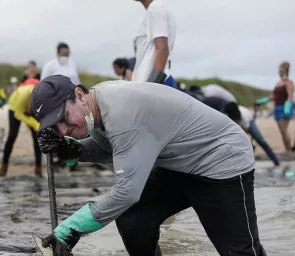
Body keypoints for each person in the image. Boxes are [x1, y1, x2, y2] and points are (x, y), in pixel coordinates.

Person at [31, 75, 266, 255]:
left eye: (63, 117)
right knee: (134, 218)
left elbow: (127, 191)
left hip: (221, 160)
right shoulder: (98, 106)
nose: (62, 130)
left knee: (240, 252)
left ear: (80, 96)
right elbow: (110, 148)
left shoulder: (121, 113)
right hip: (177, 166)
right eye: (54, 126)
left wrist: (72, 228)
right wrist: (73, 148)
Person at [203, 96, 280, 166]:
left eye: (237, 121)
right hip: (235, 125)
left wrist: (247, 144)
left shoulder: (245, 115)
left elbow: (245, 131)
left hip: (249, 122)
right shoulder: (225, 115)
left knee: (261, 141)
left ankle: (276, 162)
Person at [0, 84, 42, 177]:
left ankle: (38, 168)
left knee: (37, 137)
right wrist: (33, 123)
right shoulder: (24, 95)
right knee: (12, 136)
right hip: (15, 108)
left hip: (30, 109)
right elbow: (18, 114)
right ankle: (4, 166)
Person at [132, 0, 177, 88]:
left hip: (155, 84)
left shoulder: (156, 8)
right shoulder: (154, 10)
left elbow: (163, 49)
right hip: (149, 83)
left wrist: (151, 87)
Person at [255, 62, 294, 155]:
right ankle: (287, 150)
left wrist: (287, 107)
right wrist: (263, 101)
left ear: (286, 71)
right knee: (281, 130)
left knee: (284, 130)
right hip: (277, 108)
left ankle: (289, 151)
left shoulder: (289, 83)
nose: (279, 72)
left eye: (281, 70)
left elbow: (290, 95)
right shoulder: (278, 83)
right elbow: (273, 96)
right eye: (279, 71)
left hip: (285, 108)